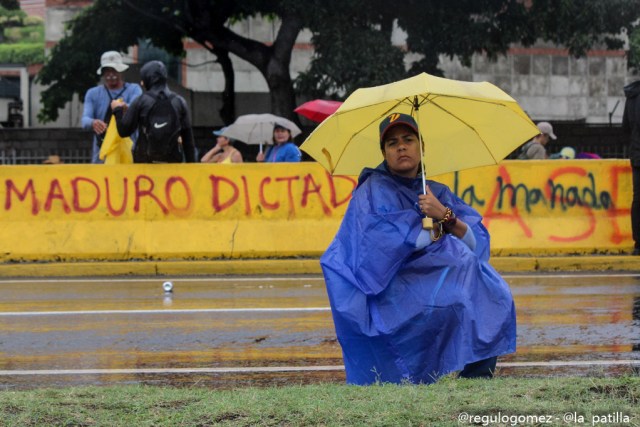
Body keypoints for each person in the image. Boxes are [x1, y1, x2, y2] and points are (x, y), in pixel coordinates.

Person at [320, 113, 516, 385]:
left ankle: (477, 377)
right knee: (454, 292)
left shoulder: (436, 192)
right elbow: (374, 251)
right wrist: (426, 230)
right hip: (391, 290)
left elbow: (476, 246)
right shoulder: (371, 192)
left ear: (421, 146)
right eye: (392, 143)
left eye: (408, 139)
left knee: (493, 291)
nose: (401, 147)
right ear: (384, 153)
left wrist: (444, 214)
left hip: (434, 280)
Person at [110, 60, 196, 163]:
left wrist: (117, 110)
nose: (142, 83)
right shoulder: (180, 102)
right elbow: (188, 142)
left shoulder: (141, 101)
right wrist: (192, 169)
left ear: (148, 79)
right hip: (172, 166)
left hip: (144, 166)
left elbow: (123, 131)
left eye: (143, 79)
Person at [81, 51, 143, 164]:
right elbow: (85, 120)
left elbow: (137, 109)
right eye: (107, 70)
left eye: (114, 70)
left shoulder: (134, 89)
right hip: (102, 154)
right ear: (103, 72)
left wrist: (124, 107)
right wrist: (93, 123)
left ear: (120, 71)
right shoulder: (93, 94)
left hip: (129, 152)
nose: (111, 74)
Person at [623, 80, 640, 255]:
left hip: (637, 155)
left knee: (638, 200)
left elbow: (625, 127)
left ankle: (638, 243)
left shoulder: (632, 95)